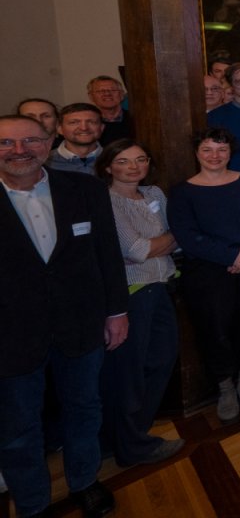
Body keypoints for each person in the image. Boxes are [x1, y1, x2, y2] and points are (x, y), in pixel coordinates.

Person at [0, 114, 127, 518]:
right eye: (6, 143)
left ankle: (85, 481)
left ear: (49, 141)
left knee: (84, 408)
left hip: (81, 323)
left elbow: (107, 253)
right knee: (19, 428)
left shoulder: (84, 188)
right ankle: (32, 503)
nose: (19, 150)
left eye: (30, 140)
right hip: (10, 335)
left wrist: (117, 311)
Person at [168, 127, 240, 422]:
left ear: (230, 153)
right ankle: (224, 385)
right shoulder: (182, 191)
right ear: (197, 153)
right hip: (206, 270)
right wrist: (231, 256)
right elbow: (187, 235)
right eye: (207, 150)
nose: (215, 156)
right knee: (215, 326)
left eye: (221, 150)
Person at [95, 139, 184, 467]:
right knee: (129, 372)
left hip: (162, 286)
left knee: (161, 360)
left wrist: (164, 241)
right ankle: (129, 445)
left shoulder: (154, 194)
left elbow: (169, 241)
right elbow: (137, 250)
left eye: (140, 159)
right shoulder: (107, 201)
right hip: (132, 293)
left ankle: (130, 434)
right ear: (108, 166)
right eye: (123, 161)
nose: (133, 167)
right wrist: (171, 238)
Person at [47, 103, 104, 174]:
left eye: (91, 122)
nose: (84, 128)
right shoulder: (44, 161)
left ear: (102, 128)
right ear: (59, 129)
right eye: (74, 122)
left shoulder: (115, 159)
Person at [87, 75, 134, 146]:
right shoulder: (86, 123)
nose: (107, 94)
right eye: (101, 91)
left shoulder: (136, 120)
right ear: (91, 97)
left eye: (113, 90)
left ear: (121, 95)